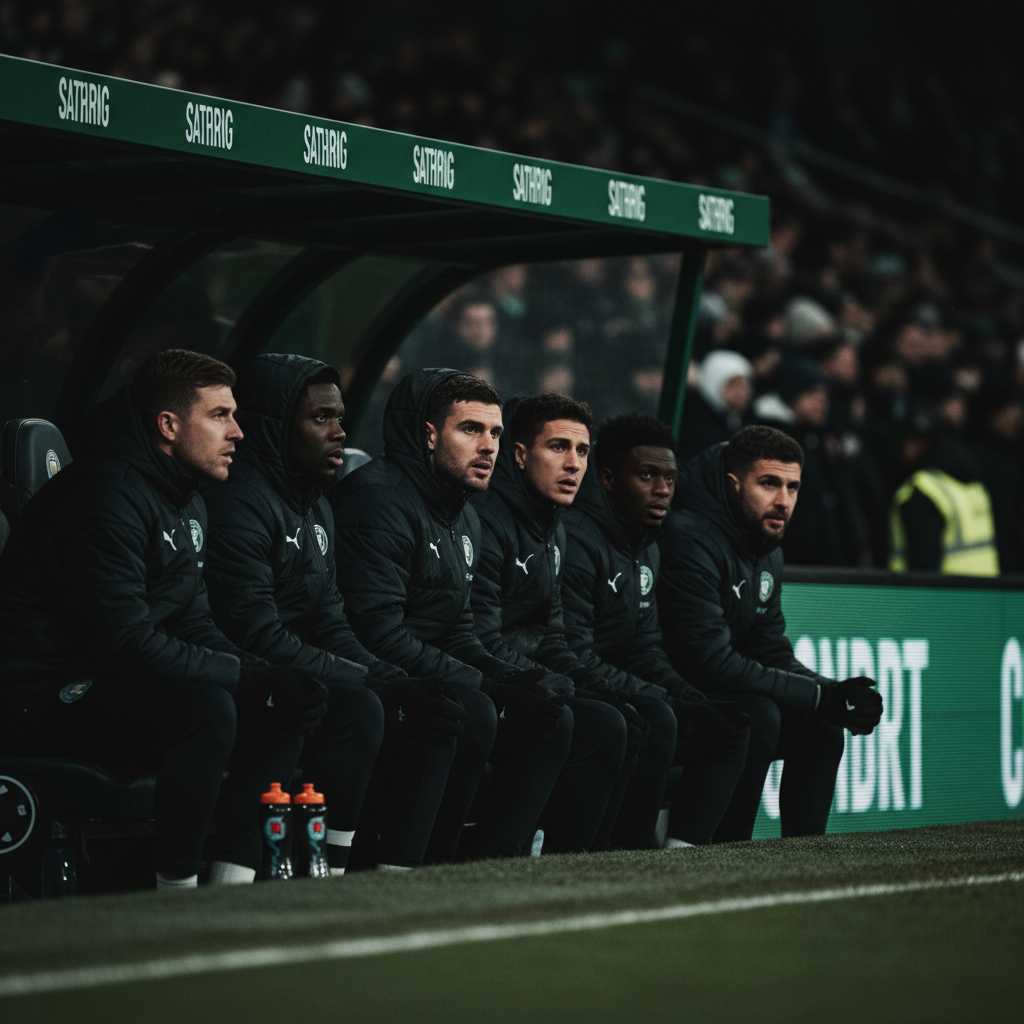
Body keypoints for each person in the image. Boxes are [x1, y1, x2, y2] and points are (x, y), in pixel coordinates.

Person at [0, 349, 324, 889]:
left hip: (110, 684)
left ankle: (231, 883)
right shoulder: (103, 495)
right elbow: (122, 643)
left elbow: (194, 624)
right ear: (168, 425)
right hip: (39, 696)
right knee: (207, 709)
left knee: (282, 708)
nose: (238, 432)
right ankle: (174, 892)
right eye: (220, 415)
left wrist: (264, 677)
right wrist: (246, 678)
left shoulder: (184, 499)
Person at [203, 354, 462, 873]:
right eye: (321, 419)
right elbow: (254, 630)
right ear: (273, 425)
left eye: (340, 418)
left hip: (297, 673)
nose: (340, 432)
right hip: (246, 675)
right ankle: (269, 874)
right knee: (349, 706)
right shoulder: (237, 503)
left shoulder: (314, 504)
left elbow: (330, 623)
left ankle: (385, 868)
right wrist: (375, 683)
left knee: (432, 704)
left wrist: (390, 679)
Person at [332, 369, 572, 861]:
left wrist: (512, 677)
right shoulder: (378, 501)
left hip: (424, 675)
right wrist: (486, 685)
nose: (489, 447)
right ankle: (408, 867)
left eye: (496, 434)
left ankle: (489, 865)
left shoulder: (462, 512)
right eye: (471, 430)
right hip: (379, 681)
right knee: (470, 708)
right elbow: (377, 631)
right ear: (428, 435)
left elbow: (459, 629)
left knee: (556, 711)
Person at [658, 424, 883, 841]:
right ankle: (716, 848)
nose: (783, 501)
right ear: (733, 484)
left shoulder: (765, 549)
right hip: (670, 693)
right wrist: (820, 696)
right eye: (768, 484)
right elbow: (710, 663)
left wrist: (833, 694)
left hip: (714, 691)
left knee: (820, 728)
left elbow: (769, 648)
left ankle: (801, 859)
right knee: (757, 715)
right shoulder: (688, 538)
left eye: (793, 487)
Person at [560, 413, 751, 850]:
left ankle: (684, 852)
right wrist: (671, 703)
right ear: (608, 479)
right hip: (580, 687)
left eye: (669, 477)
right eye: (647, 475)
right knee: (657, 717)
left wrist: (693, 700)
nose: (663, 489)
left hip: (619, 687)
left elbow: (646, 650)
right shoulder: (577, 541)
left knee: (734, 719)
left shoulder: (646, 545)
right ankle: (631, 852)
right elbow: (574, 653)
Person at [471, 393, 630, 853]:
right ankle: (497, 859)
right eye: (558, 447)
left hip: (525, 678)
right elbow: (478, 635)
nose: (574, 463)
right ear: (519, 456)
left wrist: (593, 685)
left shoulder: (554, 528)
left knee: (624, 715)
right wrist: (550, 683)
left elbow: (553, 639)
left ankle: (576, 870)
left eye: (582, 451)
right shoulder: (485, 519)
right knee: (564, 719)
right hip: (489, 680)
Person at [890, 404, 1000, 576]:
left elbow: (923, 565)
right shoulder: (973, 484)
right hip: (984, 596)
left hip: (943, 598)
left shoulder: (923, 490)